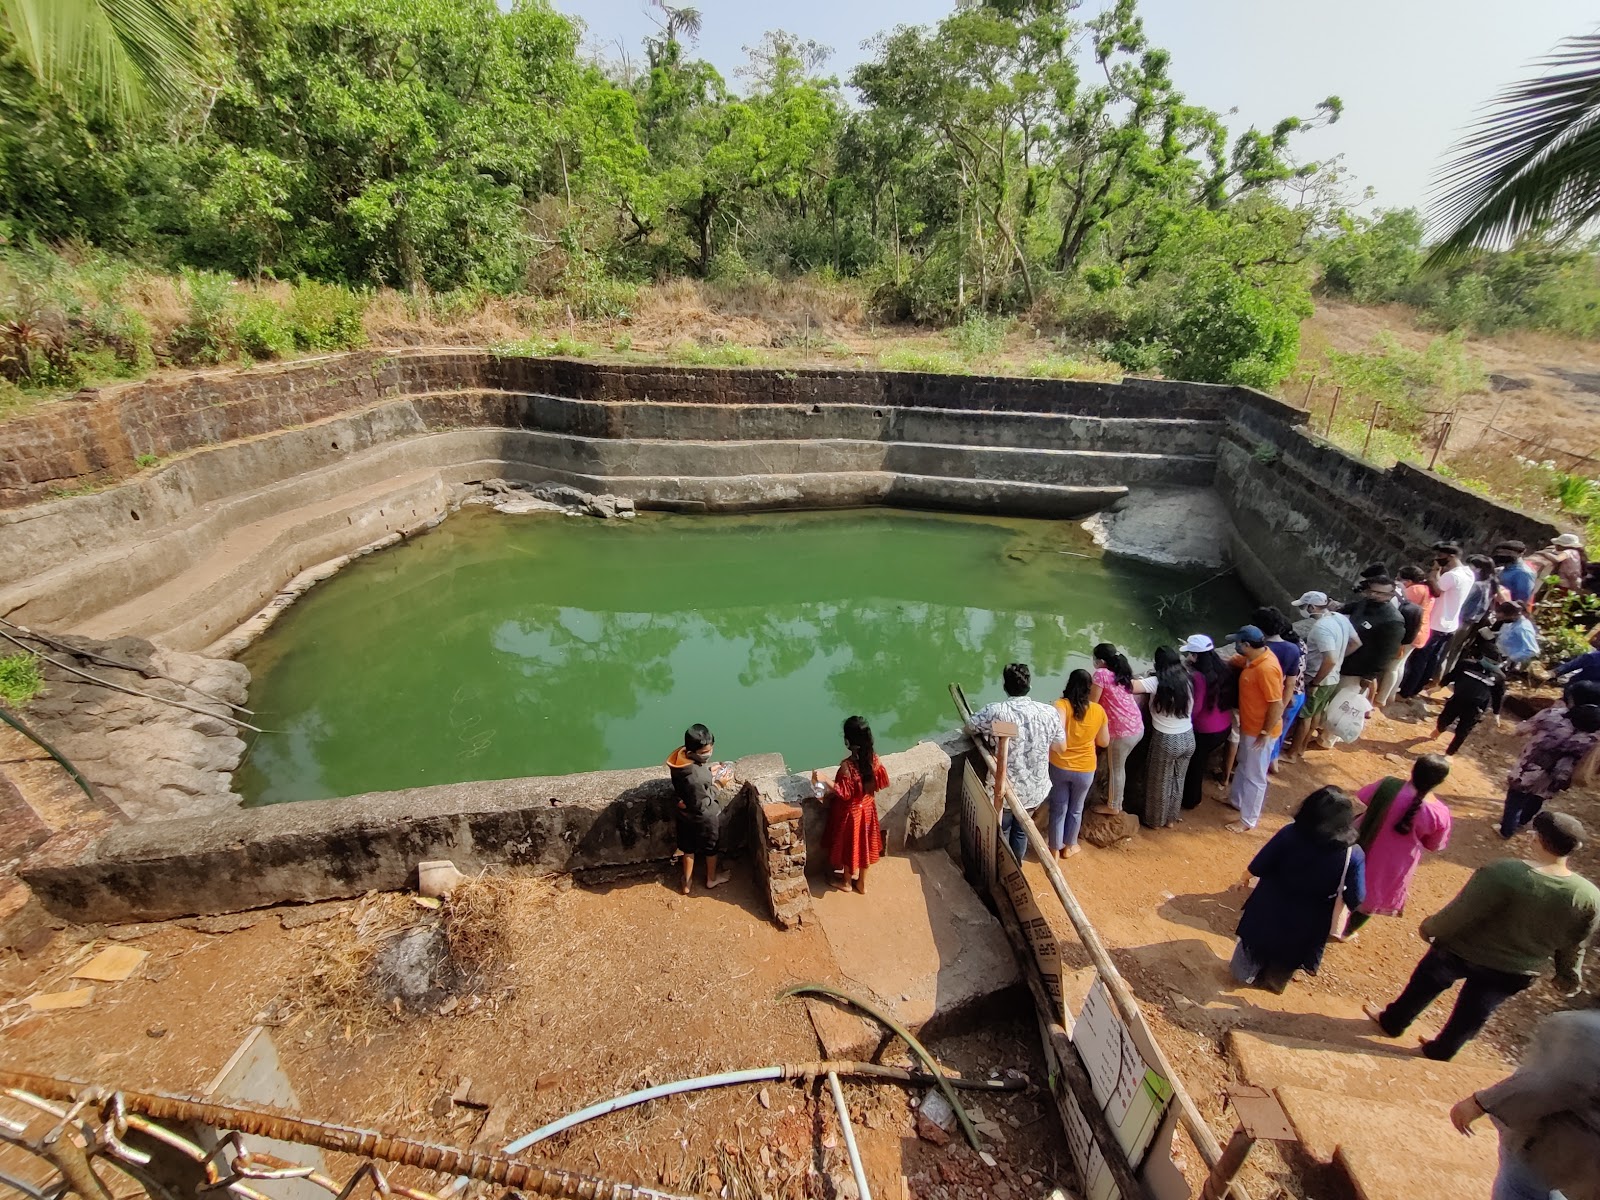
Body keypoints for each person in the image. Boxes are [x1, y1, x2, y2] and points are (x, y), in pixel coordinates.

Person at [1366, 811, 1600, 1061]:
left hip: (1461, 951)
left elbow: (1463, 912)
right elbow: (1576, 941)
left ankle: (1393, 1022)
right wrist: (1567, 973)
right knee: (1475, 1011)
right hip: (1516, 969)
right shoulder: (1589, 896)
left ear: (1537, 839)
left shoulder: (1504, 872)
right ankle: (1443, 1050)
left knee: (1424, 986)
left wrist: (1431, 929)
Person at [1449, 1008, 1600, 1200]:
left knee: (1524, 1186)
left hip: (1557, 1154)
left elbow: (1548, 1084)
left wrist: (1481, 1102)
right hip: (1583, 1171)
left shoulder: (1589, 1031)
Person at [1231, 787, 1366, 993]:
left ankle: (1240, 977)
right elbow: (1356, 896)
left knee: (1252, 945)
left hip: (1269, 905)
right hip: (1310, 921)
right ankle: (1271, 985)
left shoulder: (1290, 833)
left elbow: (1261, 863)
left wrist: (1244, 878)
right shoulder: (1352, 854)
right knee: (1288, 958)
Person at [1344, 755, 1452, 939]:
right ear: (1440, 782)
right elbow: (1433, 844)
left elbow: (1364, 796)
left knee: (1343, 882)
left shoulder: (1388, 785)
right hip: (1394, 866)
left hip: (1360, 846)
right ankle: (1348, 931)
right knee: (1373, 897)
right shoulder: (1439, 813)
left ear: (1413, 770)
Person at [968, 662, 1066, 862]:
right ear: (1029, 685)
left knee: (1001, 829)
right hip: (1034, 790)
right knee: (1021, 831)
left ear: (1005, 686)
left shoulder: (996, 711)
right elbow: (1060, 747)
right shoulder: (1048, 712)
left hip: (1003, 789)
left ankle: (1000, 865)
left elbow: (970, 726)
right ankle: (1016, 865)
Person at [1501, 680, 1600, 839]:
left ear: (1574, 699)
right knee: (1539, 796)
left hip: (1532, 765)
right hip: (1561, 773)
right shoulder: (1597, 731)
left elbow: (1521, 730)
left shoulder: (1554, 715)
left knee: (1516, 796)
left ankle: (1506, 830)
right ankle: (1521, 822)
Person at [818, 716, 890, 894]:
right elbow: (880, 783)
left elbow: (844, 793)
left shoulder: (847, 767)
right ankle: (862, 883)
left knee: (850, 847)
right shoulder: (875, 760)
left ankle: (847, 882)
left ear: (849, 741)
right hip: (868, 810)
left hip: (851, 815)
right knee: (864, 846)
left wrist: (824, 779)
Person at [1225, 625, 1285, 834]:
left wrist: (1265, 732)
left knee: (1255, 776)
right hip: (1249, 726)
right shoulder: (1253, 659)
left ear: (1247, 645)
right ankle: (1236, 800)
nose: (1236, 646)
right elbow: (1237, 661)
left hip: (1260, 731)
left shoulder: (1266, 668)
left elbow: (1276, 704)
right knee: (1244, 764)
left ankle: (1248, 820)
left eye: (1238, 643)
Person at [1398, 542, 1475, 701]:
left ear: (1451, 556)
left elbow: (1437, 591)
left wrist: (1434, 571)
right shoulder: (1468, 573)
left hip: (1435, 623)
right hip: (1449, 624)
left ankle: (1406, 691)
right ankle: (1417, 689)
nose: (1437, 559)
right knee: (1432, 659)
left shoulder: (1452, 576)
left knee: (1419, 660)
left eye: (1440, 556)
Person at [1288, 591, 1360, 759]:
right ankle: (1302, 747)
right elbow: (1356, 643)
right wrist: (1340, 658)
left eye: (1304, 606)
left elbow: (1330, 660)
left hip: (1318, 676)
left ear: (1312, 607)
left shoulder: (1321, 627)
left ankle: (1292, 753)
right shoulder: (1340, 618)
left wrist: (1315, 682)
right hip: (1332, 677)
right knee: (1316, 712)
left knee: (1304, 716)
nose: (1302, 610)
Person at [1047, 669, 1109, 857]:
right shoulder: (1098, 710)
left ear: (1069, 684)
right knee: (1076, 809)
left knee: (1058, 807)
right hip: (1085, 768)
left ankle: (1054, 849)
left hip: (1060, 765)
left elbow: (1057, 734)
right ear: (1089, 689)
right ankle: (1069, 847)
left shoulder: (1061, 705)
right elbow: (1104, 741)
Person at [1131, 647, 1195, 830]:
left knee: (1158, 781)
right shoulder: (1187, 679)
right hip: (1188, 737)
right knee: (1177, 779)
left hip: (1167, 740)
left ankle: (1154, 821)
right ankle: (1171, 819)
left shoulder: (1157, 682)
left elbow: (1132, 686)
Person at [667, 723, 730, 895]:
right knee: (711, 848)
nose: (709, 754)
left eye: (710, 749)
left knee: (688, 849)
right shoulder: (695, 777)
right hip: (704, 817)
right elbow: (702, 803)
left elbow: (693, 779)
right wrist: (718, 784)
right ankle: (711, 879)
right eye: (704, 752)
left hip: (684, 814)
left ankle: (687, 882)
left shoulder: (680, 762)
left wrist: (708, 771)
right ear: (692, 752)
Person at [1089, 643, 1143, 816]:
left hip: (1121, 733)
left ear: (1101, 661)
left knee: (1116, 769)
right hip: (1136, 727)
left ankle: (1114, 806)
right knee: (1120, 766)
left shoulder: (1101, 674)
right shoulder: (1120, 673)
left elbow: (1092, 704)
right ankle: (1115, 800)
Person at [1182, 635, 1232, 812]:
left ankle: (1191, 800)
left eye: (1189, 653)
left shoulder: (1198, 677)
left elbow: (1196, 708)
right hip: (1225, 726)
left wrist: (1186, 722)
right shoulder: (1222, 668)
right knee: (1200, 761)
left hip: (1205, 731)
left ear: (1195, 656)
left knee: (1195, 765)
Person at [1341, 574, 1407, 704]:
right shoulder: (1364, 603)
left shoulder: (1392, 620)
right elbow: (1347, 608)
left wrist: (1369, 677)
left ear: (1390, 595)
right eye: (1371, 591)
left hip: (1357, 671)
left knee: (1342, 704)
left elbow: (1387, 653)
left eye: (1379, 593)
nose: (1373, 595)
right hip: (1343, 660)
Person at [1434, 647, 1508, 756]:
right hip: (1457, 700)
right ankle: (1440, 730)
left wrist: (1496, 713)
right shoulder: (1467, 664)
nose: (1490, 664)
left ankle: (1449, 754)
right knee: (1443, 720)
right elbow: (1452, 675)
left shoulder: (1499, 677)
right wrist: (1440, 686)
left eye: (1493, 662)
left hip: (1475, 708)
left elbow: (1498, 696)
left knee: (1462, 732)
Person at [1379, 565, 1429, 706]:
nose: (1396, 580)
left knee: (1392, 667)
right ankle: (1390, 694)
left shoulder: (1414, 590)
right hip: (1419, 632)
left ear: (1408, 581)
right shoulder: (1425, 588)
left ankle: (1382, 698)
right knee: (1399, 666)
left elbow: (1401, 606)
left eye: (1399, 578)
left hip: (1409, 633)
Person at [1443, 555, 1498, 678]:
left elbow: (1463, 602)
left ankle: (1440, 677)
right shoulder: (1491, 584)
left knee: (1446, 650)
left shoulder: (1476, 585)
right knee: (1455, 650)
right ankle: (1447, 675)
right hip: (1471, 623)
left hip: (1461, 620)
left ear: (1479, 569)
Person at [1490, 600, 1541, 669]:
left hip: (1510, 663)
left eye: (1504, 617)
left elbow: (1532, 650)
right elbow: (1508, 635)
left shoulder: (1523, 628)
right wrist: (1494, 634)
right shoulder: (1511, 623)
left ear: (1513, 615)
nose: (1503, 620)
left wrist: (1511, 659)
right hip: (1499, 655)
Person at [1494, 541, 1539, 609]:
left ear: (1520, 554)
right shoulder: (1503, 568)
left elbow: (1520, 601)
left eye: (1508, 553)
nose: (1504, 555)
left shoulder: (1524, 573)